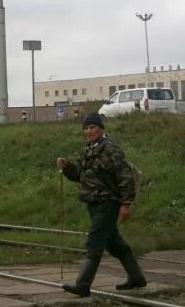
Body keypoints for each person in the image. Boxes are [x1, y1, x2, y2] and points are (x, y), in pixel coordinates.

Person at [57, 113, 147, 297]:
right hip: (93, 203)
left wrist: (126, 204)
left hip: (108, 203)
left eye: (93, 127)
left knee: (94, 242)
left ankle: (82, 285)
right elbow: (78, 175)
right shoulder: (88, 150)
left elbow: (125, 177)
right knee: (114, 244)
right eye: (86, 128)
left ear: (101, 129)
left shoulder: (111, 149)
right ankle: (136, 277)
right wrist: (67, 167)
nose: (89, 131)